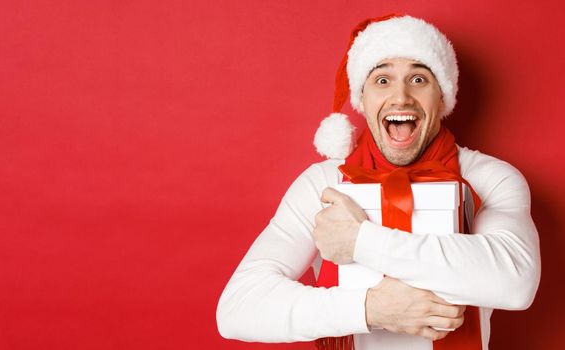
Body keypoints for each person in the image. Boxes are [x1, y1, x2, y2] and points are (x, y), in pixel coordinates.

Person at [215, 14, 541, 350]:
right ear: (363, 99)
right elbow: (238, 308)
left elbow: (517, 281)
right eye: (382, 80)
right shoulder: (324, 184)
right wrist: (371, 309)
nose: (401, 97)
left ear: (442, 98)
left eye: (418, 79)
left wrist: (361, 241)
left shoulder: (490, 179)